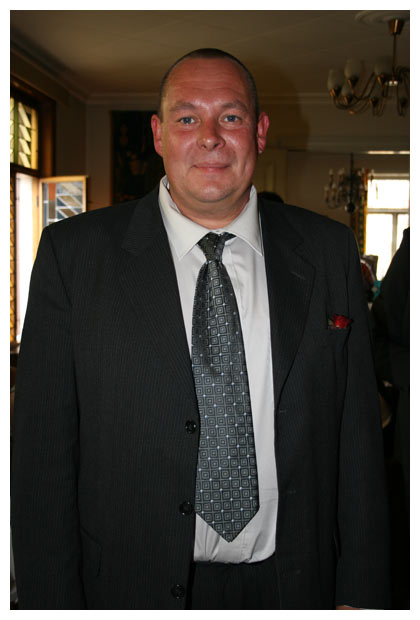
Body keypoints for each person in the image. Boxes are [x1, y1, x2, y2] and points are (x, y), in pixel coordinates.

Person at [11, 48, 390, 610]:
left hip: (294, 586)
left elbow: (357, 444)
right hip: (128, 588)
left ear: (259, 132)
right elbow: (41, 462)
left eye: (230, 117)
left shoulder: (328, 251)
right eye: (188, 118)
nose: (210, 137)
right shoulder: (74, 257)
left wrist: (362, 595)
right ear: (159, 135)